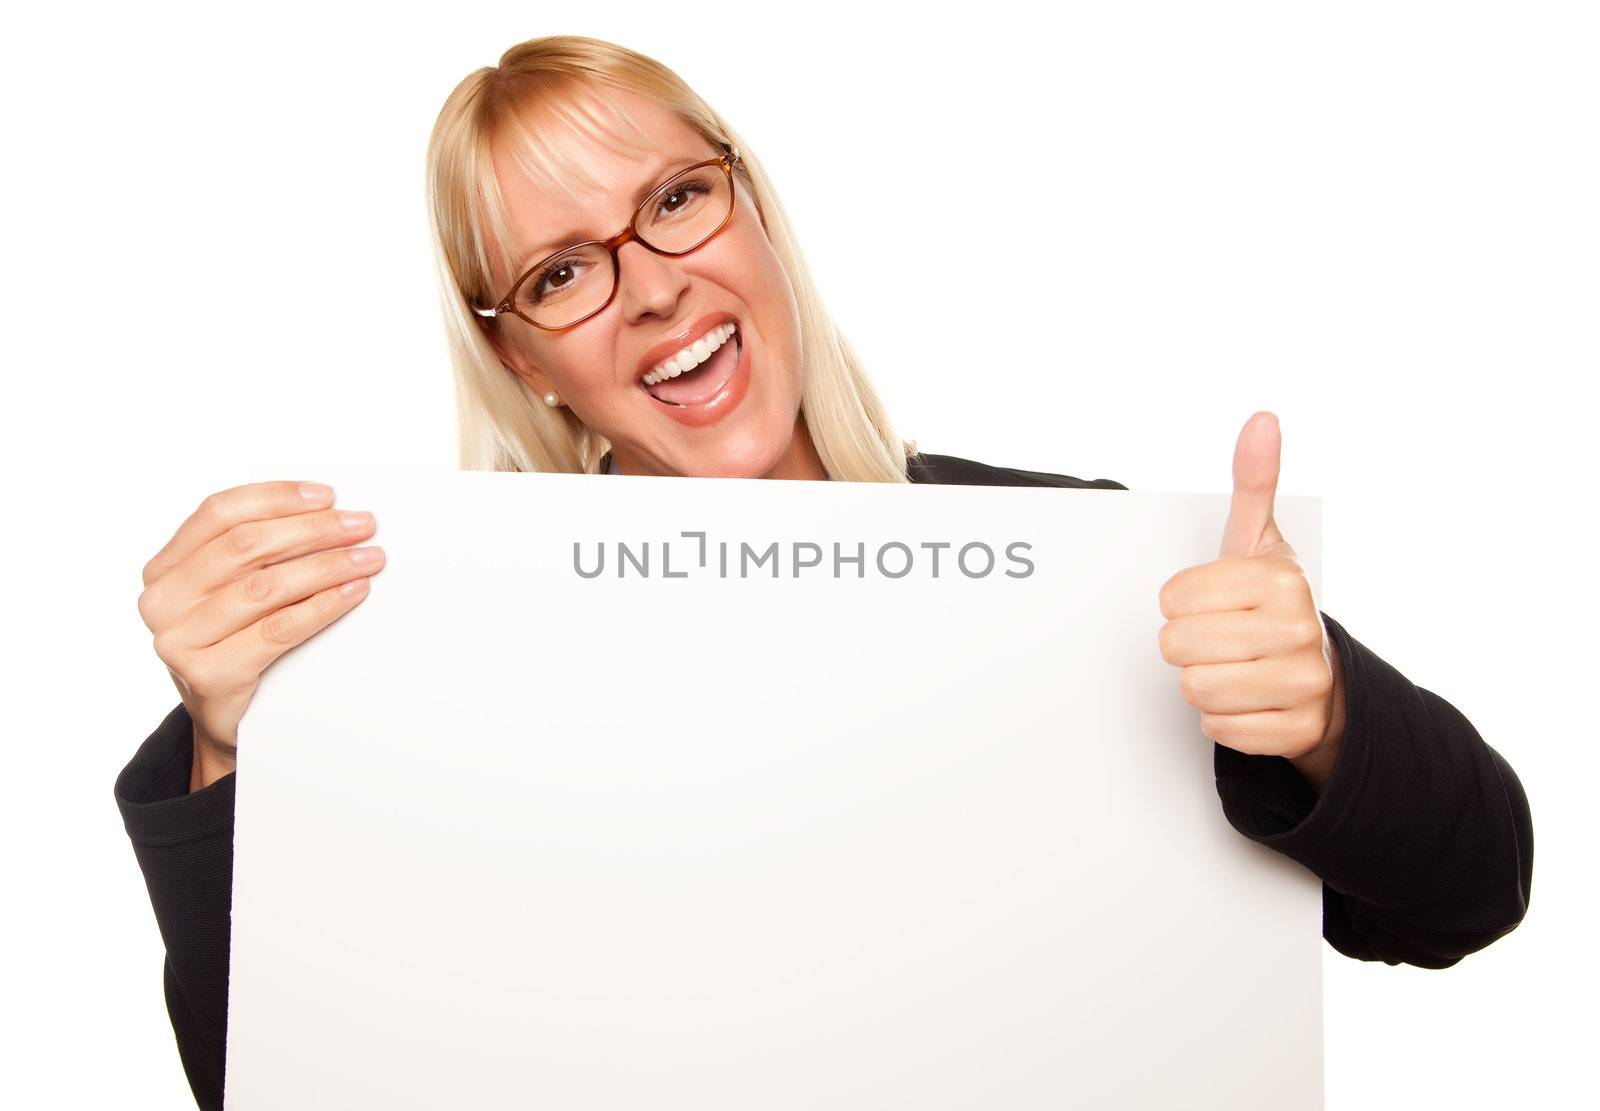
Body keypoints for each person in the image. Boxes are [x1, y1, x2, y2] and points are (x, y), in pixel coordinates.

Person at [115, 35, 1534, 1111]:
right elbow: (270, 1082)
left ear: (754, 212)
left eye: (676, 198)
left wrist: (1324, 717)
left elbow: (1468, 893)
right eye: (560, 273)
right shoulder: (426, 662)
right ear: (520, 359)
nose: (654, 284)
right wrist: (240, 748)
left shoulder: (1082, 576)